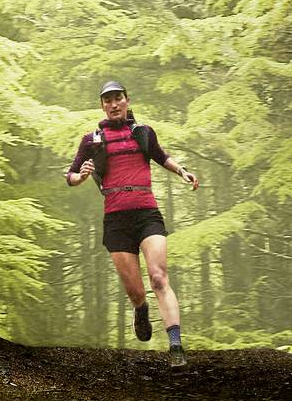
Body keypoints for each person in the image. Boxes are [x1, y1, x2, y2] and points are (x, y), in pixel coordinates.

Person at [66, 79, 199, 355]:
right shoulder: (91, 140)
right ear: (102, 106)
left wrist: (182, 171)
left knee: (159, 278)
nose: (114, 104)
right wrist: (82, 176)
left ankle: (175, 345)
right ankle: (141, 309)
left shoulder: (144, 133)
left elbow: (162, 157)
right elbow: (71, 175)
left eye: (118, 98)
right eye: (108, 100)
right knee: (136, 293)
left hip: (147, 213)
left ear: (127, 100)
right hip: (116, 220)